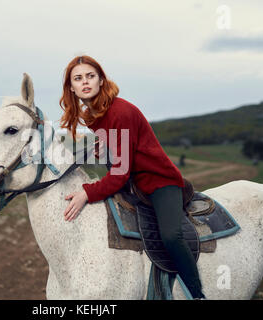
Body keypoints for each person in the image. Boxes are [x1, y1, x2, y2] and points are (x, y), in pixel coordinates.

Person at [59, 55, 206, 299]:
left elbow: (119, 173)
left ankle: (197, 293)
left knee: (171, 235)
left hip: (159, 181)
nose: (85, 82)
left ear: (101, 80)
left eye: (90, 76)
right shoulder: (93, 114)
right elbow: (121, 153)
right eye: (78, 78)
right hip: (134, 183)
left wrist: (87, 192)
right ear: (71, 88)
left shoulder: (120, 111)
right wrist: (107, 147)